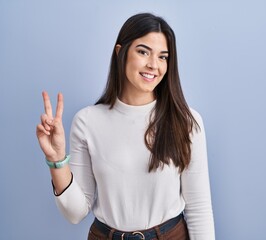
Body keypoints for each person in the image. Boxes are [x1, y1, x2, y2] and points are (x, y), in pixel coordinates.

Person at [36, 13, 215, 240]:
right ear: (120, 51)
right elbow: (75, 213)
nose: (153, 65)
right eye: (143, 52)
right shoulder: (87, 121)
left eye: (163, 57)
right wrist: (57, 159)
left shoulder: (187, 122)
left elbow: (199, 209)